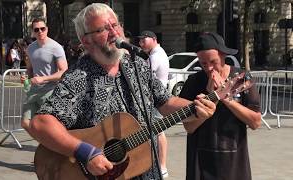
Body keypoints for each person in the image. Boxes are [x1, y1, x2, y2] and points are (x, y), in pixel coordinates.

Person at [27, 3, 216, 180]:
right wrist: (85, 152)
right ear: (86, 40)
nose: (114, 32)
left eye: (115, 25)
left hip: (146, 170)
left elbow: (165, 102)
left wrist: (195, 108)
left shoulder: (137, 65)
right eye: (103, 29)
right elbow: (41, 123)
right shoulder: (79, 77)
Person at [179, 32, 261, 180]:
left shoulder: (242, 78)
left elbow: (255, 122)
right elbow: (189, 127)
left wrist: (225, 98)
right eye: (203, 63)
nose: (209, 68)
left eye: (213, 61)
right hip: (200, 159)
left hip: (234, 159)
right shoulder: (193, 82)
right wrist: (213, 98)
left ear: (223, 56)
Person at [20, 18, 68, 134]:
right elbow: (30, 69)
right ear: (33, 32)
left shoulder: (56, 47)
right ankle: (46, 144)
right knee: (25, 123)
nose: (40, 32)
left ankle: (51, 146)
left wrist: (43, 78)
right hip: (34, 91)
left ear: (47, 29)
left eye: (42, 28)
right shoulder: (30, 48)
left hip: (50, 91)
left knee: (50, 125)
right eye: (37, 29)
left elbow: (63, 71)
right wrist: (26, 79)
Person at [138, 30, 170, 178]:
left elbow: (141, 75)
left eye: (144, 39)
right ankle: (160, 165)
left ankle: (162, 165)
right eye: (140, 40)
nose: (141, 43)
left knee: (158, 132)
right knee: (158, 132)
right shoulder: (157, 53)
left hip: (156, 99)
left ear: (154, 39)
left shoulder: (155, 56)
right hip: (156, 98)